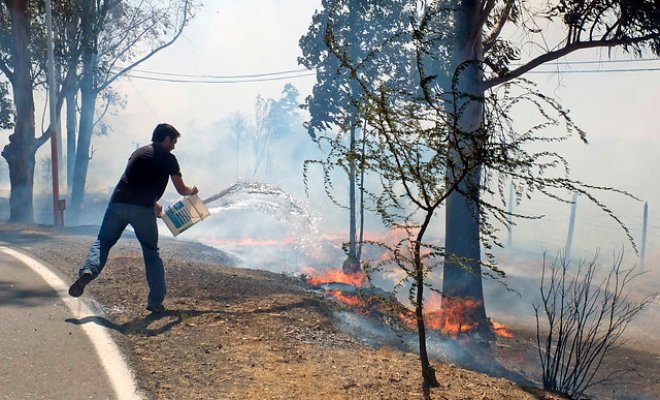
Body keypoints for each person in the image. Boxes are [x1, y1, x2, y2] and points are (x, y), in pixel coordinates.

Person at [68, 123, 199, 313]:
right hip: (142, 210)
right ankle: (155, 302)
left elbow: (134, 182)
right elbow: (181, 189)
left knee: (103, 242)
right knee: (151, 253)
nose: (174, 146)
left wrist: (154, 203)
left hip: (118, 204)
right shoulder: (169, 159)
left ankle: (88, 271)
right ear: (166, 139)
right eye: (173, 142)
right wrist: (191, 191)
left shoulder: (138, 153)